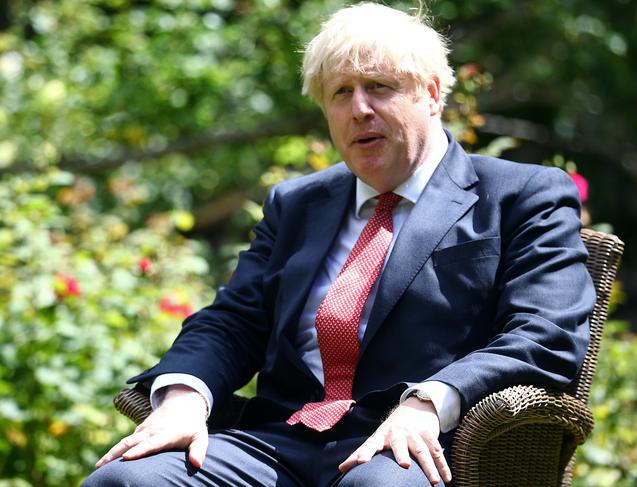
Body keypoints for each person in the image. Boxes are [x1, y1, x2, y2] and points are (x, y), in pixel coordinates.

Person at [83, 3, 595, 486]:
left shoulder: (521, 195)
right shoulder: (298, 203)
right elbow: (234, 321)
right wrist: (184, 397)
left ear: (434, 93)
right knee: (125, 478)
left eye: (379, 86)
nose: (360, 109)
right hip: (277, 442)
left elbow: (544, 332)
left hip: (415, 445)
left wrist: (430, 402)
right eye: (341, 92)